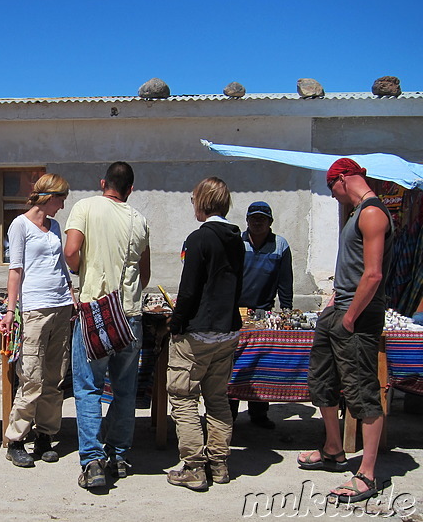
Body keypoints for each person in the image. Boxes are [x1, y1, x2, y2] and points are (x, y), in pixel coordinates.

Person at [298, 158, 392, 504]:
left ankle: (366, 473)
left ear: (341, 179)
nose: (334, 196)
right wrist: (335, 300)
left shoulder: (371, 213)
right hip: (338, 311)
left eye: (330, 189)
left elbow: (373, 274)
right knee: (321, 380)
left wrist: (350, 316)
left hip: (358, 317)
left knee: (362, 391)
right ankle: (333, 450)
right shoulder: (357, 213)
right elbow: (353, 268)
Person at [64, 161, 150, 489]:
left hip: (96, 310)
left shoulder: (84, 207)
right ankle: (119, 455)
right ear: (129, 189)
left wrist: (84, 269)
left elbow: (71, 252)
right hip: (130, 313)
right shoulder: (139, 220)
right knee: (125, 389)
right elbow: (145, 274)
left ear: (103, 183)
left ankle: (92, 462)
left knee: (88, 387)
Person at [166, 177, 244, 491]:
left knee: (183, 399)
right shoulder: (237, 239)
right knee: (217, 399)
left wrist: (176, 322)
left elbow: (188, 290)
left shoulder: (199, 239)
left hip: (196, 332)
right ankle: (220, 463)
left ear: (202, 203)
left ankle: (194, 467)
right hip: (226, 331)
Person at [0, 174, 73, 468]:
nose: (63, 205)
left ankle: (45, 434)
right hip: (35, 310)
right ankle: (16, 439)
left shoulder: (53, 226)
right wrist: (10, 310)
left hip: (61, 306)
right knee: (31, 376)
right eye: (61, 199)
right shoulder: (20, 225)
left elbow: (59, 264)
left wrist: (71, 292)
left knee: (55, 378)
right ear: (49, 197)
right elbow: (15, 270)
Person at [229, 201, 293, 429]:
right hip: (235, 311)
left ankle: (259, 413)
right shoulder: (236, 242)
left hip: (263, 312)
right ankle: (230, 414)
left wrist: (287, 312)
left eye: (262, 219)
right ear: (247, 221)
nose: (257, 223)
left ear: (270, 222)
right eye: (253, 218)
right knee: (233, 364)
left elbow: (285, 281)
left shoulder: (280, 245)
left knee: (260, 362)